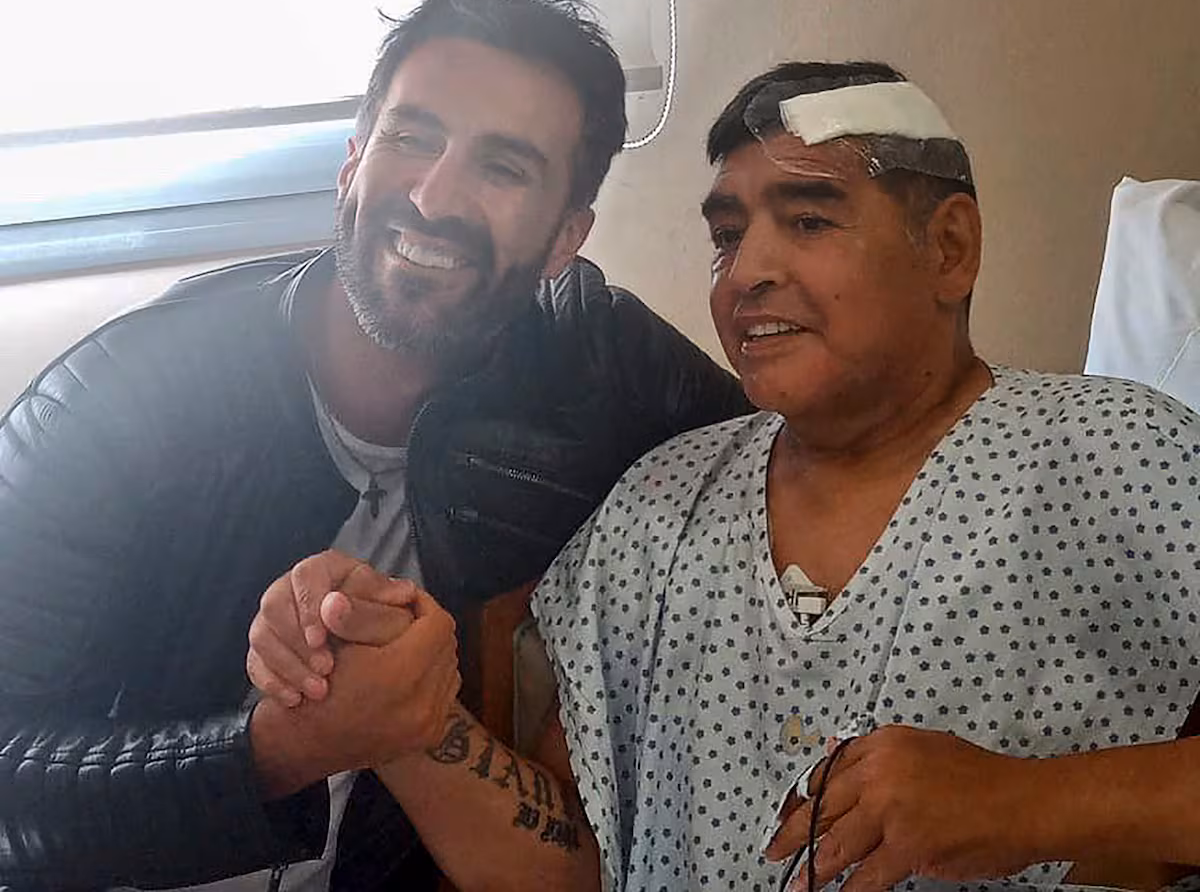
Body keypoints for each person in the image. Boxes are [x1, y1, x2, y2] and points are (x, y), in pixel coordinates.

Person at [255, 61, 1200, 892]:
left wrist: (1031, 803)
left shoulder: (1121, 456)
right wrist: (407, 723)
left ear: (948, 249)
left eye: (810, 219)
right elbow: (571, 866)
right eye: (727, 235)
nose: (746, 271)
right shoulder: (659, 507)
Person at [0, 0, 749, 892]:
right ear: (352, 161)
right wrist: (275, 749)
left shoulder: (604, 370)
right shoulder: (122, 397)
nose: (434, 198)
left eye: (504, 168)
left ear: (567, 236)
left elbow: (801, 454)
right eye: (413, 138)